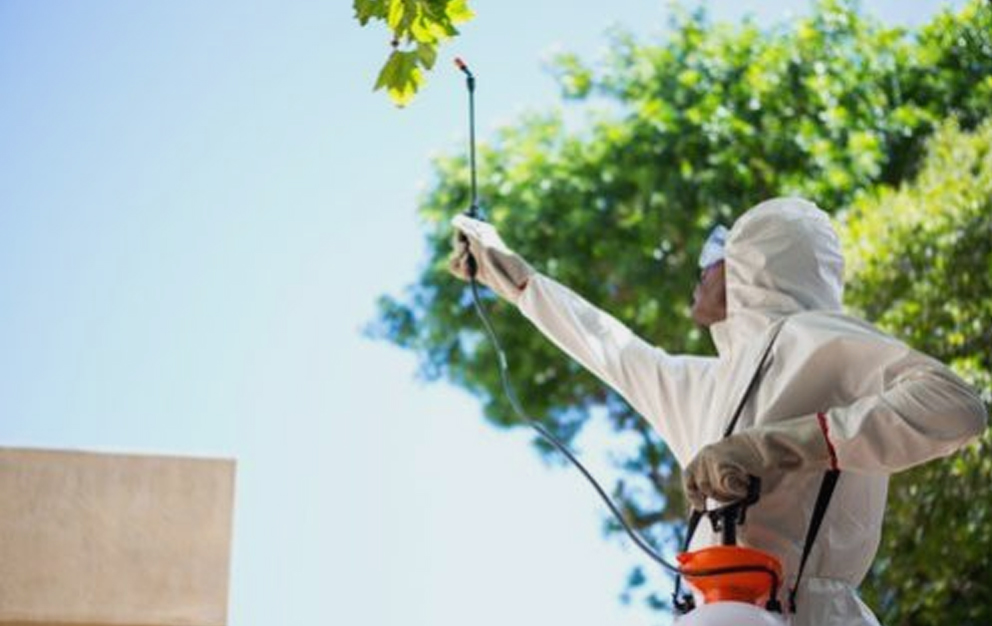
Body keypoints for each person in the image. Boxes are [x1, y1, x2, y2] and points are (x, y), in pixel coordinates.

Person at [449, 197, 987, 626]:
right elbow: (610, 347)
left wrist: (779, 446)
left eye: (715, 259)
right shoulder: (709, 385)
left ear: (752, 268)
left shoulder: (817, 338)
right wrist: (512, 278)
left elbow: (956, 407)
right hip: (721, 611)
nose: (700, 274)